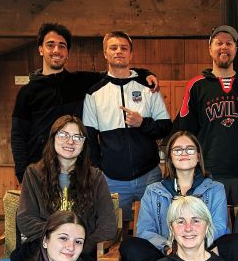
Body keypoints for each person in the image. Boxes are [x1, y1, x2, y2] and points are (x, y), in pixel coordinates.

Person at [0, 115, 117, 261]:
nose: (70, 141)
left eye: (77, 137)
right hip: (43, 245)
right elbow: (26, 219)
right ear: (52, 138)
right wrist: (56, 239)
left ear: (84, 144)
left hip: (81, 250)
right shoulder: (34, 173)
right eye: (63, 135)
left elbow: (108, 226)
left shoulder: (96, 178)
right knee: (34, 251)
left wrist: (78, 244)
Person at [11, 23, 157, 182]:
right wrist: (22, 174)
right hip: (40, 170)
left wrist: (144, 74)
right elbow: (18, 136)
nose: (56, 50)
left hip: (76, 171)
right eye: (50, 45)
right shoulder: (27, 92)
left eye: (62, 46)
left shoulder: (80, 82)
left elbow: (118, 73)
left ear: (67, 52)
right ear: (41, 49)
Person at [173, 24, 238, 204]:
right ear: (210, 49)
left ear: (235, 49)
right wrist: (190, 167)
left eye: (229, 43)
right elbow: (187, 133)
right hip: (210, 171)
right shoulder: (197, 85)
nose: (224, 47)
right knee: (211, 227)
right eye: (219, 43)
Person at [82, 31, 172, 221]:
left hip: (149, 176)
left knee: (156, 226)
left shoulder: (148, 88)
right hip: (112, 179)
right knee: (112, 233)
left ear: (131, 54)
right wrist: (99, 172)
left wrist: (143, 123)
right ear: (105, 54)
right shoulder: (94, 94)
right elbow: (89, 139)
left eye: (124, 48)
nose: (119, 51)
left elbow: (165, 127)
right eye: (113, 48)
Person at [118, 131, 230, 261]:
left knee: (236, 241)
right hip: (165, 257)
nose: (184, 153)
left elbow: (219, 227)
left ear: (198, 156)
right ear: (170, 156)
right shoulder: (153, 191)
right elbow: (145, 230)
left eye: (189, 149)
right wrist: (168, 247)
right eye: (177, 150)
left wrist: (193, 248)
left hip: (203, 254)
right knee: (130, 246)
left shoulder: (215, 188)